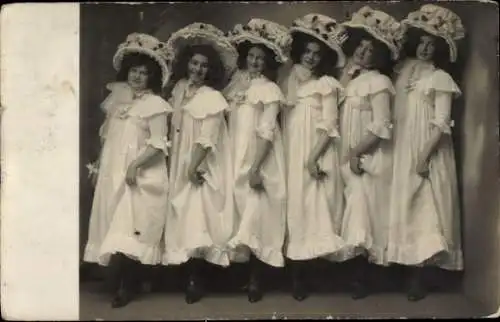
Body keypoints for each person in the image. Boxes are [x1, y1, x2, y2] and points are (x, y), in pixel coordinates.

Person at [83, 33, 172, 308]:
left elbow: (158, 144)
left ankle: (128, 285)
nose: (137, 77)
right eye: (134, 71)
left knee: (130, 225)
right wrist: (99, 165)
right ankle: (120, 279)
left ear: (152, 77)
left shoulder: (155, 105)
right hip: (114, 171)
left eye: (144, 73)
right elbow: (108, 139)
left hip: (141, 174)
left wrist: (135, 164)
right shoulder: (118, 102)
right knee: (112, 221)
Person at [388, 4, 465, 301]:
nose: (425, 48)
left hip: (427, 148)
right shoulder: (403, 71)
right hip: (401, 147)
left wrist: (424, 155)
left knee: (425, 208)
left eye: (432, 45)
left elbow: (441, 123)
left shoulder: (440, 79)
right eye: (422, 42)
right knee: (404, 207)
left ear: (439, 51)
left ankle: (419, 277)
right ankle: (403, 269)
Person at [161, 22, 238, 304]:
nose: (198, 69)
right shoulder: (179, 89)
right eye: (194, 63)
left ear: (211, 70)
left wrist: (193, 166)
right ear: (186, 64)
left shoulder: (213, 98)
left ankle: (197, 277)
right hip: (181, 157)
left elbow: (207, 138)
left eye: (204, 66)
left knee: (198, 216)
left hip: (202, 162)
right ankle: (182, 273)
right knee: (181, 215)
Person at [280, 14, 348, 301]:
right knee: (294, 209)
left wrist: (313, 157)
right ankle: (295, 274)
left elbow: (330, 126)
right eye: (307, 52)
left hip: (316, 151)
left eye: (316, 55)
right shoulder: (289, 81)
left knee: (315, 209)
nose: (310, 58)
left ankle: (311, 277)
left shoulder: (327, 85)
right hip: (291, 150)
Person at [337, 6, 403, 300]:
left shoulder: (380, 82)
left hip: (368, 154)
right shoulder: (350, 80)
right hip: (349, 152)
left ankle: (363, 279)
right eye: (361, 47)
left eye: (371, 49)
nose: (364, 53)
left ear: (380, 55)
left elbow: (381, 125)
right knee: (352, 210)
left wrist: (355, 153)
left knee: (364, 213)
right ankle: (353, 275)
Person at [223, 18, 290, 303]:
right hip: (234, 154)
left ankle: (256, 279)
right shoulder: (235, 86)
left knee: (256, 213)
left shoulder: (270, 90)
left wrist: (256, 166)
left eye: (261, 58)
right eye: (251, 56)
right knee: (238, 212)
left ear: (268, 62)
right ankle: (240, 276)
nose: (255, 62)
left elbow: (267, 130)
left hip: (259, 156)